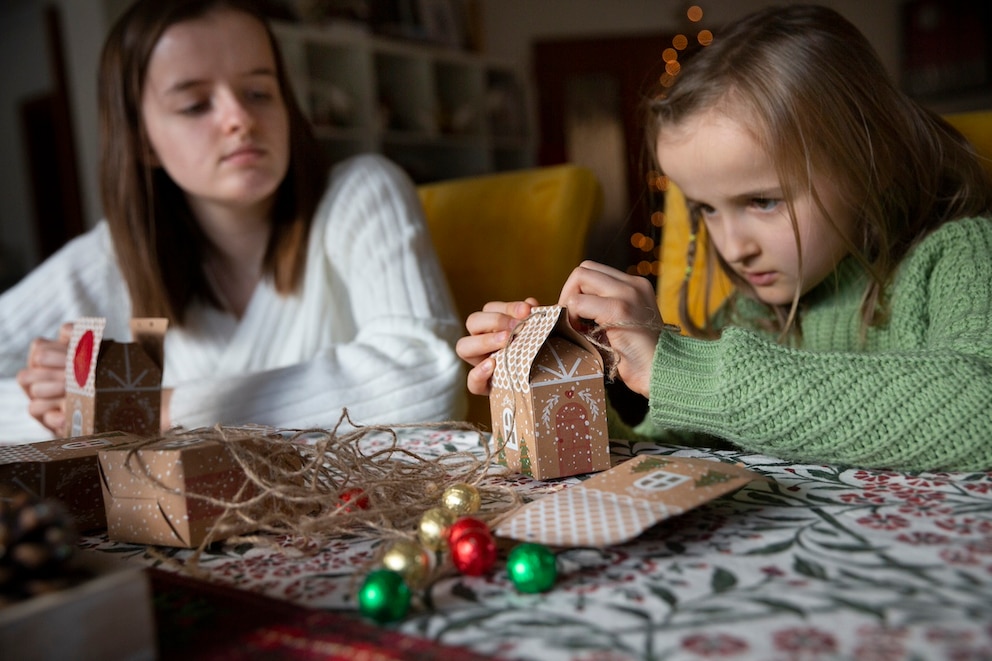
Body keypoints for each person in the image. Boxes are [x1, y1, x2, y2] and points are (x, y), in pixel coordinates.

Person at [456, 4, 992, 472]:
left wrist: (676, 366)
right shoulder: (758, 308)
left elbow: (979, 408)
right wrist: (594, 379)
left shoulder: (958, 255)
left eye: (763, 200)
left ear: (873, 161)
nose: (735, 247)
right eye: (705, 208)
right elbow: (700, 441)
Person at [0, 0, 465, 443]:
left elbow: (426, 377)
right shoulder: (115, 256)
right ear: (143, 142)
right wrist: (63, 406)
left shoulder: (361, 192)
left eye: (260, 92)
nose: (240, 118)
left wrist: (152, 409)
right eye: (196, 104)